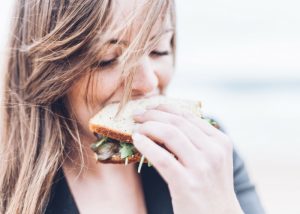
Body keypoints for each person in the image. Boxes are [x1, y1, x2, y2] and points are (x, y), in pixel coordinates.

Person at [0, 0, 265, 213]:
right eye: (108, 59)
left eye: (159, 50)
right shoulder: (9, 190)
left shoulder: (210, 155)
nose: (149, 81)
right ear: (49, 69)